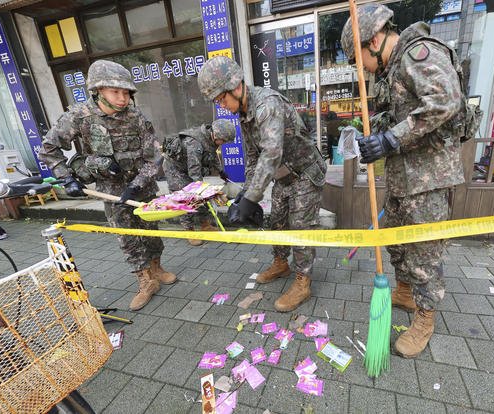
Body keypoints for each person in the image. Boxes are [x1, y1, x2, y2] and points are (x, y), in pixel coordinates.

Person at [341, 4, 465, 358]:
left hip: (428, 179)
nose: (359, 66)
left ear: (375, 40)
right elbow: (398, 115)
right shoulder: (392, 69)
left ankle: (425, 319)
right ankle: (404, 293)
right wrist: (373, 135)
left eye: (358, 58)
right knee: (396, 243)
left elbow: (445, 101)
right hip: (402, 178)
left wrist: (390, 139)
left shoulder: (417, 54)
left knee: (424, 254)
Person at [39, 59, 177, 311]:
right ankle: (145, 282)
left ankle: (157, 269)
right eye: (116, 91)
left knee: (152, 232)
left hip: (141, 187)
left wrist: (137, 185)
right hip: (110, 190)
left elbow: (154, 157)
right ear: (98, 90)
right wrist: (66, 178)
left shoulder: (137, 116)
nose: (123, 98)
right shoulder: (79, 117)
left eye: (126, 92)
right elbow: (48, 149)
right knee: (127, 237)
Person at [197, 56, 327, 312]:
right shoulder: (243, 113)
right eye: (217, 102)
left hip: (305, 173)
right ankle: (280, 263)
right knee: (277, 221)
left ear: (235, 87)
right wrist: (245, 193)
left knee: (299, 228)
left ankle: (303, 281)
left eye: (221, 99)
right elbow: (253, 157)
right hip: (282, 176)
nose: (222, 106)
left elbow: (271, 153)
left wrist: (252, 198)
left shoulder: (267, 105)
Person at [162, 119, 236, 245]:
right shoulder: (194, 143)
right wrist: (203, 190)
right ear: (215, 135)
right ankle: (189, 231)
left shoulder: (210, 139)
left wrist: (221, 171)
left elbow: (213, 156)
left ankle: (205, 225)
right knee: (185, 199)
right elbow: (194, 173)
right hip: (176, 170)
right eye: (222, 141)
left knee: (202, 196)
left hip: (188, 167)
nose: (222, 144)